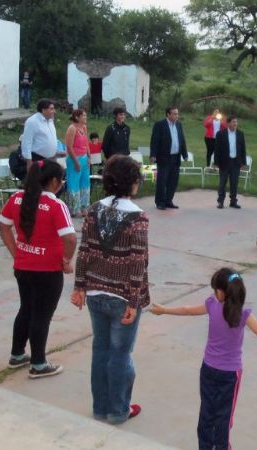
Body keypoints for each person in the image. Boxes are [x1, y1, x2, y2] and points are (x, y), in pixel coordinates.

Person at [150, 267, 257, 449]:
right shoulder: (244, 315)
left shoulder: (211, 304)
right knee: (224, 418)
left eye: (215, 289)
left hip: (208, 370)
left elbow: (187, 310)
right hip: (230, 375)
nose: (214, 293)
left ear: (221, 292)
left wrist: (164, 310)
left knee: (207, 413)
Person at [71, 155, 149, 424]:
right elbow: (137, 262)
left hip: (94, 293)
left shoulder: (93, 210)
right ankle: (118, 411)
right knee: (120, 355)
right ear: (132, 182)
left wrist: (79, 286)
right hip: (122, 298)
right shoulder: (137, 217)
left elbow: (84, 251)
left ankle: (101, 407)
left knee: (100, 350)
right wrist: (133, 301)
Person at [0, 159, 76, 379]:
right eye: (61, 179)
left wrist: (16, 251)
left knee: (26, 308)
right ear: (53, 181)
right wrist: (66, 260)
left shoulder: (16, 198)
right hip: (47, 270)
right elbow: (70, 238)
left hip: (23, 266)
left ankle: (17, 354)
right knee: (42, 315)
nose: (61, 184)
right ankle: (39, 364)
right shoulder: (55, 205)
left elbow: (3, 225)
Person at [149, 106, 188, 210]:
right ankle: (160, 202)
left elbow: (182, 140)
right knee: (162, 181)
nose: (177, 116)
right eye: (174, 114)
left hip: (176, 157)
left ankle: (168, 200)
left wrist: (184, 154)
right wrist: (153, 155)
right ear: (168, 114)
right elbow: (155, 141)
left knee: (173, 181)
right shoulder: (160, 125)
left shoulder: (179, 125)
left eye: (177, 113)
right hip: (164, 157)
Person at [213, 116, 247, 209]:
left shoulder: (240, 134)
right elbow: (217, 150)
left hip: (236, 162)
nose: (235, 124)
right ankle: (220, 201)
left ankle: (233, 201)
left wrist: (244, 163)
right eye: (233, 122)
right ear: (228, 123)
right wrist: (216, 163)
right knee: (222, 183)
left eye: (236, 122)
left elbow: (243, 149)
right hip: (224, 162)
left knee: (234, 183)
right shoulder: (220, 134)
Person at [65, 109, 92, 216]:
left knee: (85, 182)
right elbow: (69, 147)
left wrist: (89, 157)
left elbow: (86, 143)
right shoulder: (72, 128)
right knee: (74, 183)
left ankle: (84, 206)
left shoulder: (84, 127)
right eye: (84, 116)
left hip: (84, 158)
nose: (85, 117)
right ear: (77, 117)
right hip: (74, 159)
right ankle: (74, 208)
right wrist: (76, 162)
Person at [22, 99, 58, 170]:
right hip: (38, 159)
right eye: (51, 109)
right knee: (39, 180)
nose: (54, 111)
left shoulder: (50, 120)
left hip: (51, 159)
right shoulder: (32, 122)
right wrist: (29, 162)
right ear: (43, 110)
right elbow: (26, 142)